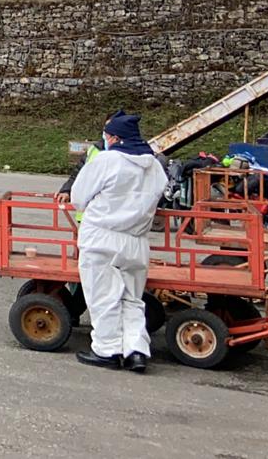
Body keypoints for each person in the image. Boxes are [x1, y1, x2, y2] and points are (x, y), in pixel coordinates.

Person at [69, 110, 165, 372]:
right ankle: (136, 351)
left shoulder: (107, 160)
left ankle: (107, 350)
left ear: (114, 137)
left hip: (102, 236)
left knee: (104, 296)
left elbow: (78, 196)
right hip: (136, 241)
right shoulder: (155, 166)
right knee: (132, 298)